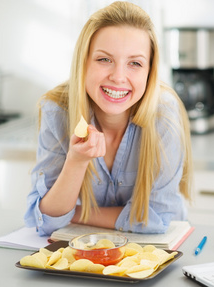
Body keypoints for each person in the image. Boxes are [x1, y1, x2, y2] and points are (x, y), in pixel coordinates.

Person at [24, 1, 193, 237]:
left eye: (135, 63)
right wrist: (76, 161)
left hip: (159, 251)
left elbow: (159, 218)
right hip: (93, 250)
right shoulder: (57, 111)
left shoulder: (163, 113)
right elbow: (46, 222)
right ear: (83, 62)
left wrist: (74, 213)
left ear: (149, 72)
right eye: (104, 59)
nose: (118, 77)